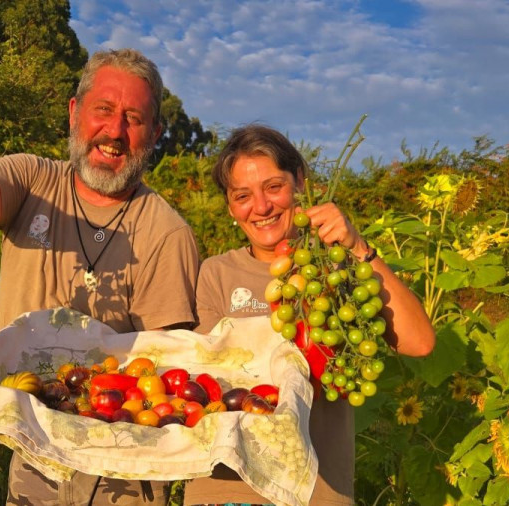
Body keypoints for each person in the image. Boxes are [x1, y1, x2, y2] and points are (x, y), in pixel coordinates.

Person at [0, 49, 200, 506]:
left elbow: (162, 373)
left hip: (122, 469)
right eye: (103, 110)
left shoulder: (167, 233)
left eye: (134, 118)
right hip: (33, 455)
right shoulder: (32, 181)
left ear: (156, 134)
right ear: (74, 112)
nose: (115, 131)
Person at [184, 124, 436, 505]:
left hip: (318, 491)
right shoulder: (216, 274)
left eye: (273, 187)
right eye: (243, 195)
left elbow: (420, 343)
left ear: (299, 181)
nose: (262, 207)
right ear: (230, 207)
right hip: (227, 489)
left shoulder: (341, 266)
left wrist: (357, 246)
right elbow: (210, 385)